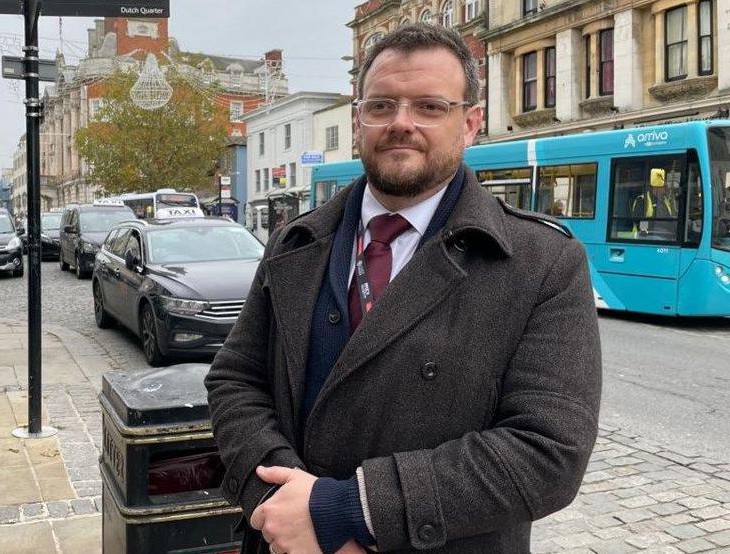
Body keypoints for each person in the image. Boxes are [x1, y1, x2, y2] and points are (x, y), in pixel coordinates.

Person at [204, 24, 602, 554]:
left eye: (430, 107)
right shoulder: (294, 242)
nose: (401, 124)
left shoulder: (543, 263)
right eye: (382, 105)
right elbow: (235, 379)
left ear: (470, 123)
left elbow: (548, 451)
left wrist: (340, 513)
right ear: (358, 121)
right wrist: (278, 503)